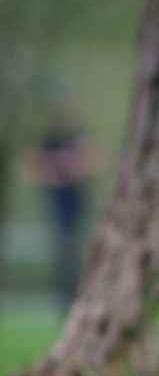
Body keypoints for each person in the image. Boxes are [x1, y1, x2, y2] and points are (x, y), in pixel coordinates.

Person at [26, 115, 94, 309]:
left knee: (78, 255)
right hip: (59, 212)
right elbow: (33, 166)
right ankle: (65, 298)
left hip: (78, 211)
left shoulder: (76, 138)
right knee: (63, 257)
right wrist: (53, 171)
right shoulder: (50, 141)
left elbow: (89, 161)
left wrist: (75, 166)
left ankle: (79, 294)